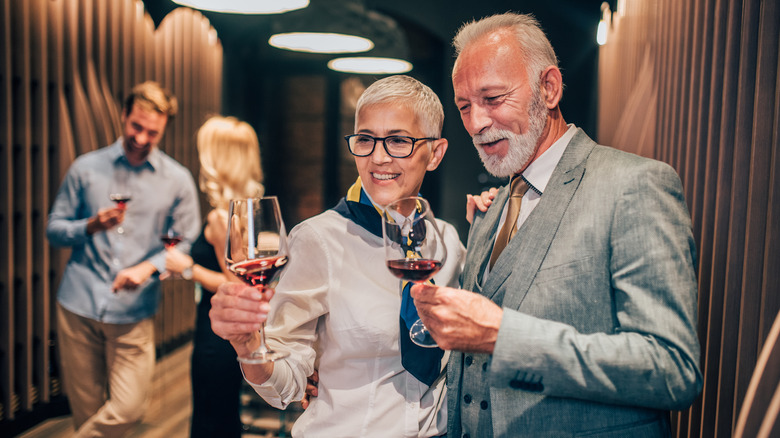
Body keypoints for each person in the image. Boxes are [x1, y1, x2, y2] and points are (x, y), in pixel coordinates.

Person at [409, 13, 703, 437]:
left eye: (493, 98)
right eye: (464, 106)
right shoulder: (491, 210)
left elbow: (672, 369)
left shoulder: (634, 185)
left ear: (548, 88)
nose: (475, 123)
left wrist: (503, 336)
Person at [210, 75, 466, 437]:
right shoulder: (318, 240)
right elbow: (285, 384)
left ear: (435, 153)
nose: (378, 157)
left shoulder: (449, 244)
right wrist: (248, 345)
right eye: (365, 139)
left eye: (398, 140)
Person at [46, 81, 201, 437]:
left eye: (153, 132)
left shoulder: (177, 180)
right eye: (137, 127)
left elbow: (186, 242)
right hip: (78, 306)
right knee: (87, 416)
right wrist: (90, 225)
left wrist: (148, 268)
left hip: (133, 312)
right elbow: (53, 229)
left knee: (128, 409)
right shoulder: (86, 168)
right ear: (123, 116)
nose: (143, 138)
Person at [164, 115, 264, 437]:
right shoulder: (243, 209)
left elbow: (235, 284)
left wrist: (187, 268)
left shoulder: (222, 217)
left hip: (215, 332)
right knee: (222, 412)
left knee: (211, 415)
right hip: (226, 331)